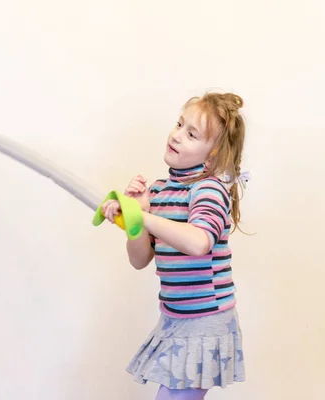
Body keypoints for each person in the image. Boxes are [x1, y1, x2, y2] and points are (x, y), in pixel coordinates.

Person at [101, 92, 248, 400]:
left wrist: (143, 216)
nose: (177, 135)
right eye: (180, 124)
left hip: (205, 322)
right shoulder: (158, 190)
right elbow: (140, 259)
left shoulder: (209, 189)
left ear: (213, 154)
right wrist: (135, 221)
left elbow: (198, 242)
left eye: (192, 134)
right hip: (175, 317)